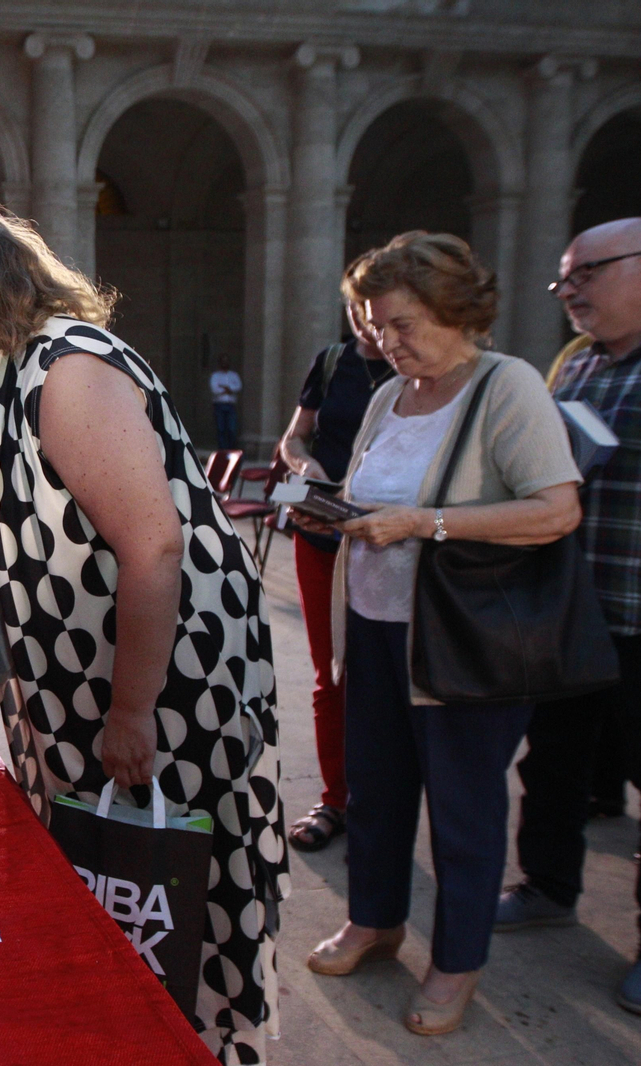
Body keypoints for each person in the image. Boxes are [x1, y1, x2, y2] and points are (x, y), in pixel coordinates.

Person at [0, 185, 288, 1064]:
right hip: (83, 693)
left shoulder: (67, 370)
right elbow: (3, 509)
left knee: (177, 906)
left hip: (167, 695)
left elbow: (154, 549)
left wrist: (130, 715)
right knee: (108, 902)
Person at [302, 232, 580, 1037]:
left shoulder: (507, 386)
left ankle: (456, 964)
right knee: (376, 792)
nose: (386, 342)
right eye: (375, 325)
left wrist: (427, 522)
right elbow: (366, 494)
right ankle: (374, 920)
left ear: (456, 311)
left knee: (462, 813)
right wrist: (334, 510)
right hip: (376, 629)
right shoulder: (391, 395)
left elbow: (556, 509)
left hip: (461, 643)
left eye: (401, 324)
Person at [498, 217, 641, 1018]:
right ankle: (547, 884)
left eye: (585, 274)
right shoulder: (574, 367)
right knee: (554, 763)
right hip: (571, 613)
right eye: (562, 280)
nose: (569, 291)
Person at [275, 267, 395, 852]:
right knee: (331, 677)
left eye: (377, 311)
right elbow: (294, 439)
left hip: (392, 543)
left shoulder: (414, 368)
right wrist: (304, 471)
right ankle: (336, 798)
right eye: (356, 311)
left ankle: (384, 800)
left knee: (386, 678)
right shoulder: (331, 362)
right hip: (321, 539)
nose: (366, 325)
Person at [210, 355, 243, 450]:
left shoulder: (234, 375)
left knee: (231, 429)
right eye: (223, 361)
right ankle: (222, 450)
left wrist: (225, 388)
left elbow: (238, 387)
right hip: (219, 405)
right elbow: (214, 389)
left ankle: (231, 449)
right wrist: (229, 389)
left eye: (226, 361)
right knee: (221, 429)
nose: (225, 363)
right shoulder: (215, 376)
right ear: (219, 363)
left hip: (231, 405)